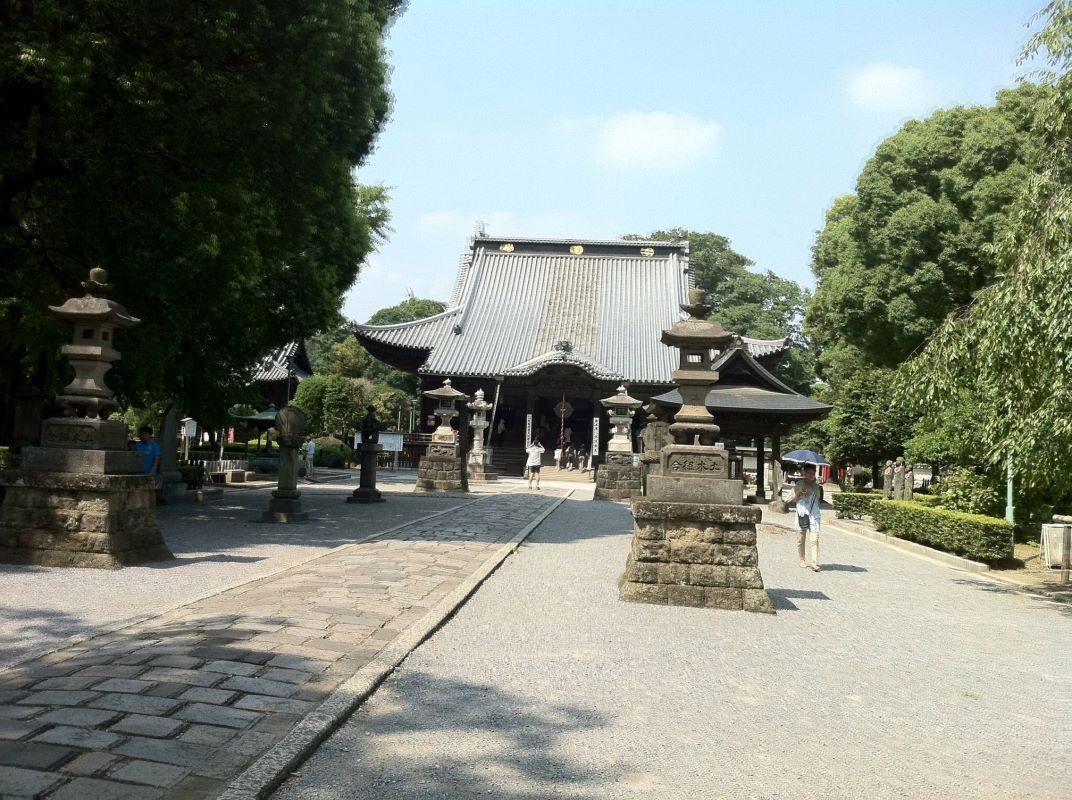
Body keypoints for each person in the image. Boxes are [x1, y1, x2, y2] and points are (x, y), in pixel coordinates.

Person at [793, 463, 823, 572]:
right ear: (804, 473)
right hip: (802, 513)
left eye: (813, 473)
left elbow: (818, 499)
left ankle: (814, 562)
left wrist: (813, 489)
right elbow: (793, 500)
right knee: (800, 538)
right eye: (809, 473)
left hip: (814, 514)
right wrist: (799, 494)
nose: (811, 475)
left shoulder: (816, 486)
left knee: (814, 539)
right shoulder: (799, 484)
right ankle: (802, 559)